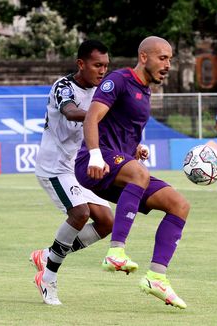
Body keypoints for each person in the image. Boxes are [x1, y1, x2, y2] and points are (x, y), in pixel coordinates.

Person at [74, 36, 189, 309]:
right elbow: (92, 117)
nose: (168, 65)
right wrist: (94, 155)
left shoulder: (145, 90)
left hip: (120, 162)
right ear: (144, 57)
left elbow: (120, 129)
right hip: (93, 163)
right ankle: (116, 252)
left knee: (179, 205)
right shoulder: (118, 80)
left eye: (170, 59)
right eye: (163, 58)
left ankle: (156, 277)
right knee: (139, 174)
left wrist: (135, 148)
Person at [32, 40, 113, 305]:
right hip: (53, 166)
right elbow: (70, 111)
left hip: (76, 167)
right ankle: (48, 278)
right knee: (80, 213)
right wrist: (98, 114)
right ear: (81, 64)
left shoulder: (103, 90)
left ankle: (48, 255)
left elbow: (108, 128)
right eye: (97, 65)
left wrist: (135, 149)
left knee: (106, 222)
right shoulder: (63, 87)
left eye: (106, 66)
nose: (102, 71)